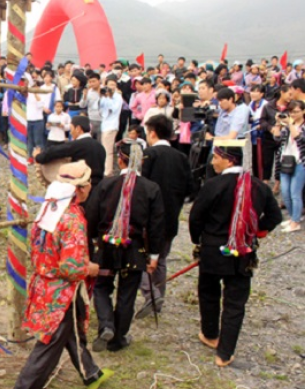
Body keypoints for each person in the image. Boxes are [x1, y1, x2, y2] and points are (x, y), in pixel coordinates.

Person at [4, 161, 113, 389]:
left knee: (71, 332)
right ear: (82, 188)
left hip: (45, 284)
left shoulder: (50, 207)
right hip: (62, 291)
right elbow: (71, 267)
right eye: (88, 184)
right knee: (51, 343)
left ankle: (91, 374)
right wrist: (89, 268)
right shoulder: (73, 217)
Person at [189, 139, 281, 366]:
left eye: (216, 157)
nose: (213, 162)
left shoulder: (213, 185)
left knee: (209, 293)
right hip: (243, 250)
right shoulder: (259, 186)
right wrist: (257, 231)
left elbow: (196, 217)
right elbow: (275, 216)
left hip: (212, 249)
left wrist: (197, 240)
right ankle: (225, 353)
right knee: (235, 302)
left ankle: (210, 334)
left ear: (229, 158)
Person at [87, 143, 164, 352]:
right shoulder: (150, 188)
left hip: (106, 247)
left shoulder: (106, 184)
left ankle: (106, 324)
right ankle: (117, 339)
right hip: (135, 249)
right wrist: (154, 255)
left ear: (120, 159)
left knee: (102, 287)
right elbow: (156, 225)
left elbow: (92, 216)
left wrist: (92, 242)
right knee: (127, 294)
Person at [135, 115, 193, 318]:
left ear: (152, 132)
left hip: (149, 217)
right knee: (161, 259)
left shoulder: (149, 154)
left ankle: (152, 294)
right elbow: (190, 188)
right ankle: (158, 296)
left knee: (141, 257)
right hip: (171, 215)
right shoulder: (181, 157)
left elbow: (141, 186)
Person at [36, 115, 107, 190]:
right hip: (99, 188)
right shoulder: (100, 147)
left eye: (71, 129)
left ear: (78, 129)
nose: (70, 132)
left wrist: (38, 156)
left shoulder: (77, 145)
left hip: (82, 188)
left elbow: (53, 151)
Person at [273, 100, 305, 233]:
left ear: (303, 111)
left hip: (300, 162)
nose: (293, 114)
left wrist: (290, 123)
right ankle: (293, 217)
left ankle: (296, 221)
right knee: (285, 193)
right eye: (291, 112)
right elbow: (277, 138)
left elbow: (299, 138)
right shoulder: (287, 126)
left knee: (295, 193)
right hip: (285, 160)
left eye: (296, 111)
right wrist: (278, 123)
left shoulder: (302, 126)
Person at [99, 77, 124, 176]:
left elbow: (113, 108)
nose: (111, 87)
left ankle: (108, 171)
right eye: (109, 84)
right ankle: (106, 169)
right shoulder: (105, 96)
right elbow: (101, 107)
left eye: (113, 85)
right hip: (104, 125)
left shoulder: (117, 97)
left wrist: (108, 97)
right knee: (104, 148)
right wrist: (104, 96)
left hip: (112, 126)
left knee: (108, 150)